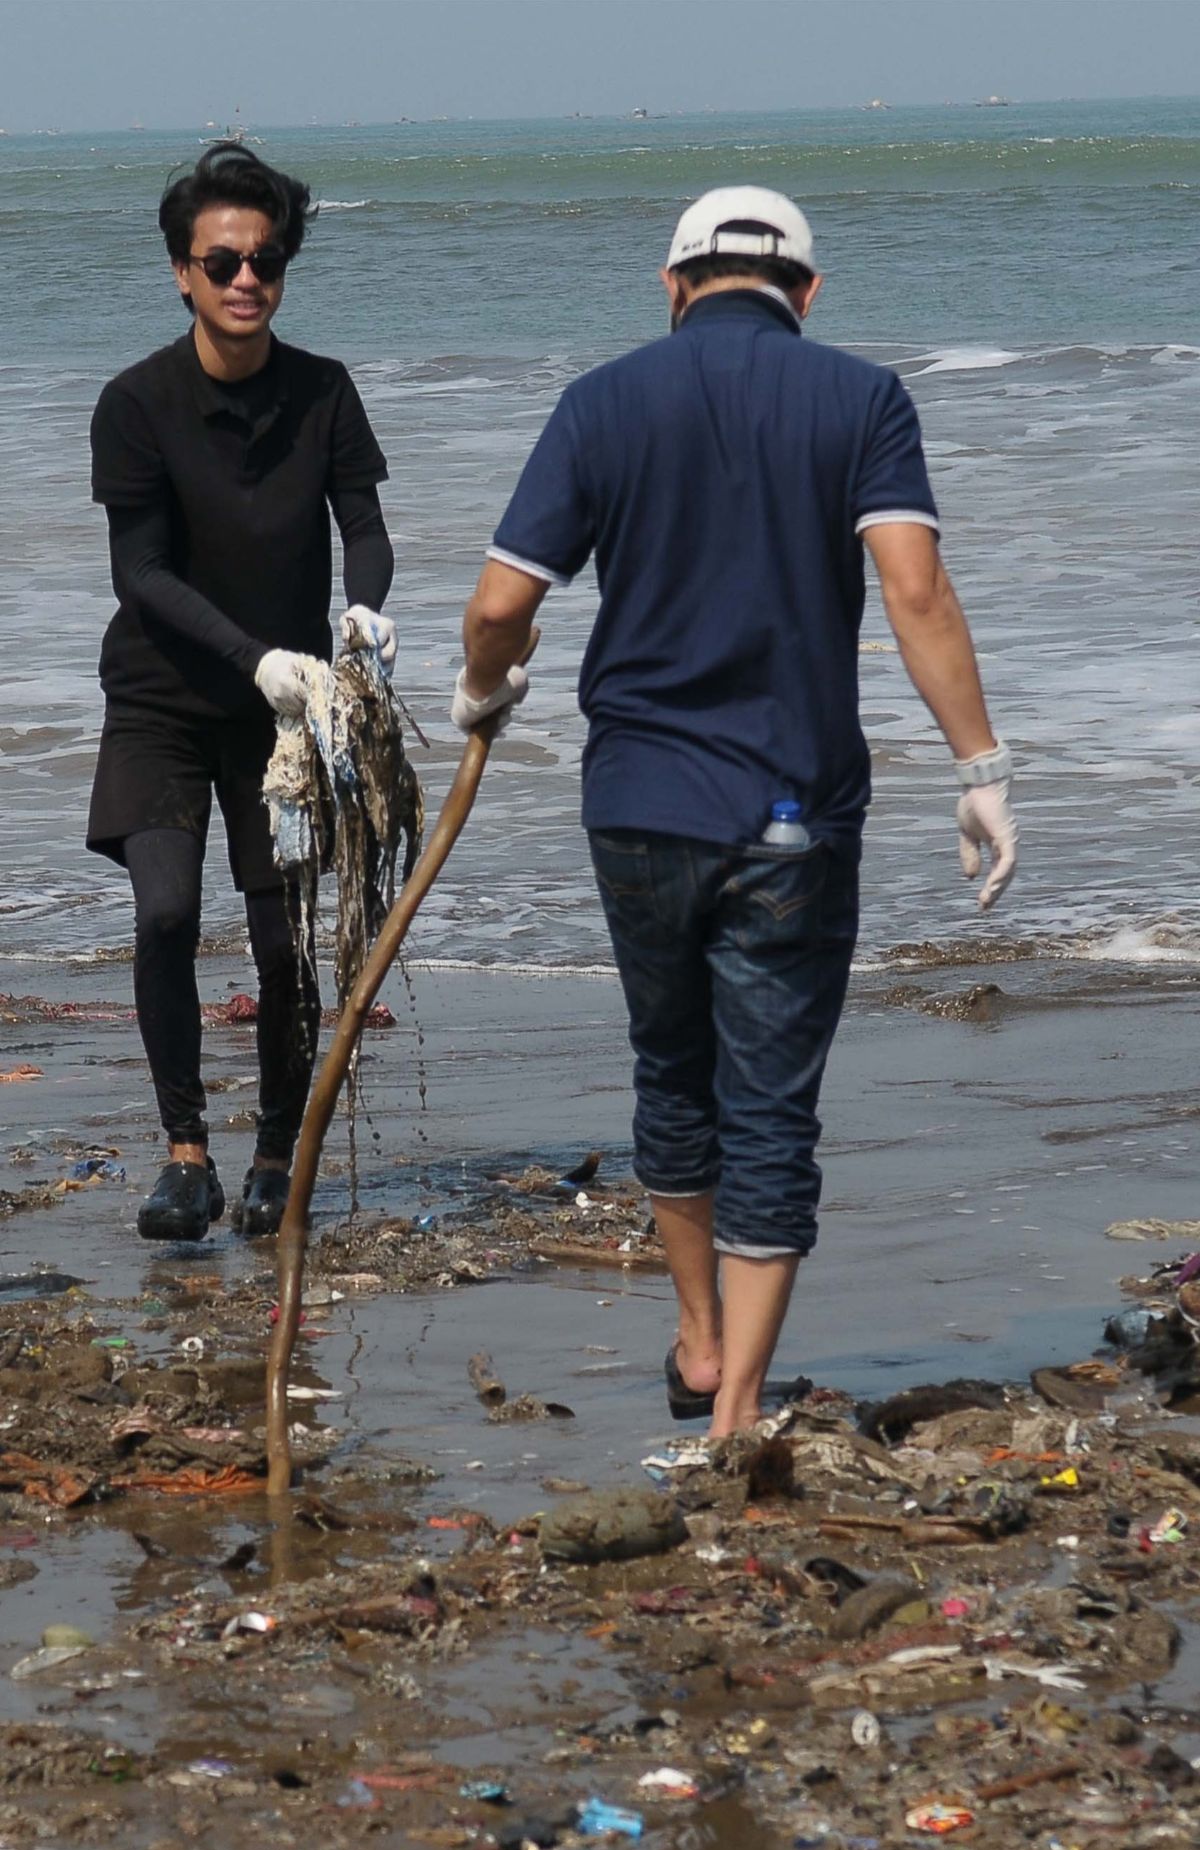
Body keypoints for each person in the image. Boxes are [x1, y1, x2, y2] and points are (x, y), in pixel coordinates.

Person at [452, 185, 1018, 1437]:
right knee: (770, 1100)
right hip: (791, 804)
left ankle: (701, 1343)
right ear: (807, 296)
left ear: (672, 287)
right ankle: (740, 1409)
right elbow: (915, 591)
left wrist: (482, 692)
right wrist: (981, 771)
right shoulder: (863, 399)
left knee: (673, 1071)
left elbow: (500, 604)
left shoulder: (602, 400)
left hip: (638, 804)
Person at [87, 141, 395, 1241]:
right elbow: (143, 575)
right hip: (163, 700)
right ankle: (183, 1152)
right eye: (221, 262)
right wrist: (252, 655)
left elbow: (361, 524)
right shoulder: (135, 404)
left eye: (265, 259)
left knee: (283, 943)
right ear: (182, 271)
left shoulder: (324, 392)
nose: (245, 278)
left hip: (290, 714)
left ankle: (275, 1150)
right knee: (167, 910)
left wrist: (360, 615)